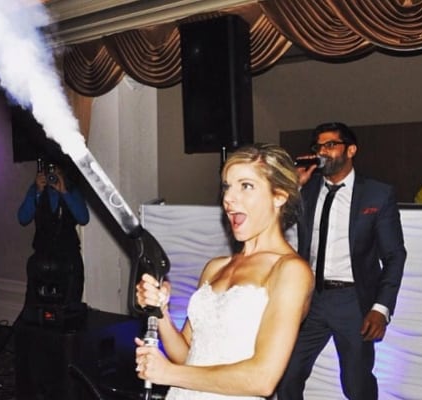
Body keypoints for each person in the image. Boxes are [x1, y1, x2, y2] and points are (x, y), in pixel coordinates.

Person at [134, 144, 314, 399]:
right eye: (227, 186)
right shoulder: (216, 267)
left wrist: (167, 374)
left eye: (246, 186)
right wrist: (160, 311)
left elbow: (262, 379)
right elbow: (187, 355)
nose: (229, 198)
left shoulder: (290, 270)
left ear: (279, 196)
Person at [277, 122, 407, 400]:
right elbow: (274, 225)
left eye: (330, 145)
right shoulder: (305, 191)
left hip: (352, 300)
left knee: (356, 383)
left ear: (351, 150)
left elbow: (395, 256)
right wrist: (293, 187)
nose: (323, 152)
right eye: (318, 146)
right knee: (287, 375)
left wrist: (380, 308)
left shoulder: (376, 194)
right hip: (310, 298)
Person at [17, 157, 89, 307]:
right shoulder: (36, 189)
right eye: (49, 171)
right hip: (42, 256)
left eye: (56, 171)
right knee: (37, 305)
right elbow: (23, 218)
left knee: (70, 305)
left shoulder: (71, 190)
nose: (52, 175)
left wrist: (64, 192)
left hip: (69, 256)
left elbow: (83, 218)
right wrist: (36, 192)